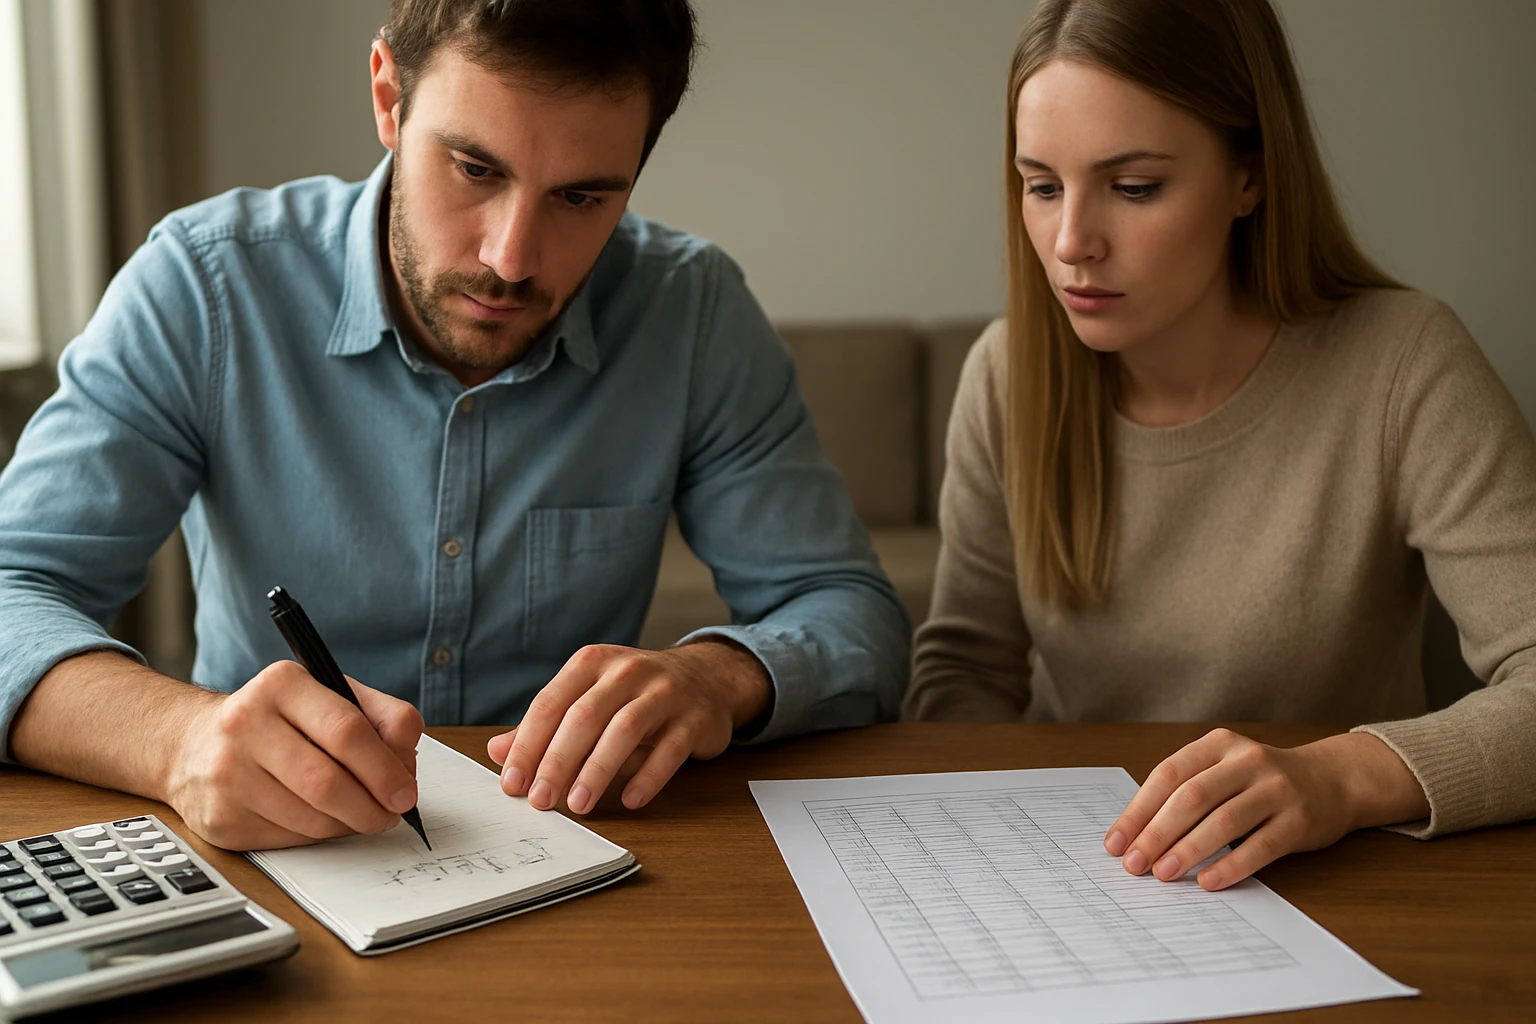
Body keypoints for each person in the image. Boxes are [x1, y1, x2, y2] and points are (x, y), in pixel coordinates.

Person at [0, 0, 909, 851]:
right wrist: (178, 738)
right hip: (275, 851)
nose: (510, 258)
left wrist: (720, 674)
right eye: (475, 168)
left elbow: (853, 615)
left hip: (585, 856)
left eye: (582, 197)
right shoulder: (205, 289)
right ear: (388, 97)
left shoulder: (693, 312)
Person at [905, 0, 1536, 891]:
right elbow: (964, 669)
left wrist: (1340, 775)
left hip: (1341, 880)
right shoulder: (1007, 374)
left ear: (1251, 178)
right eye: (1041, 185)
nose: (1071, 242)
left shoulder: (1404, 361)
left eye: (1133, 188)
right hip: (1084, 876)